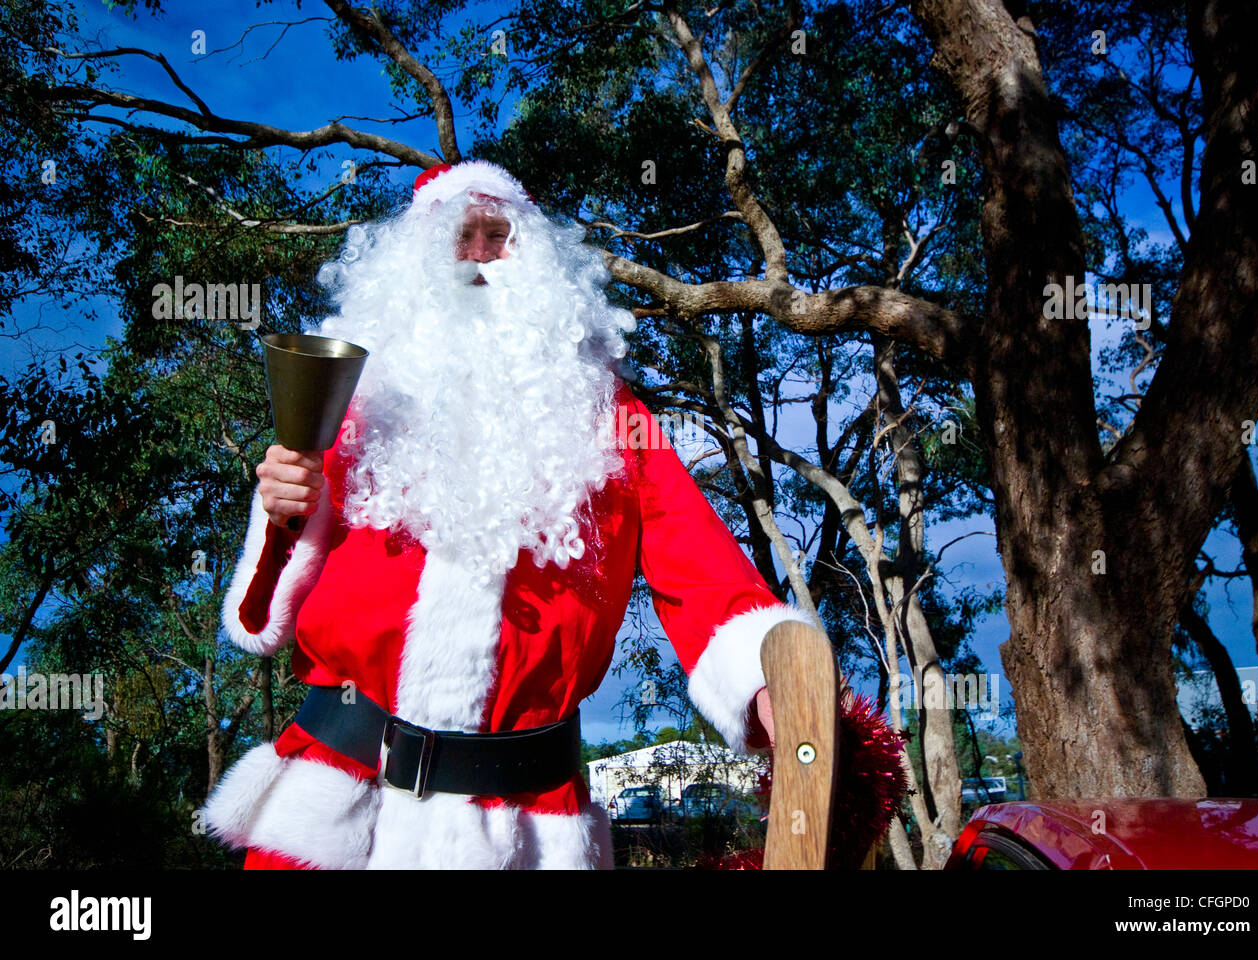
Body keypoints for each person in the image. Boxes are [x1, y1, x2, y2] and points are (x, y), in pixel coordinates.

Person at [202, 160, 814, 869]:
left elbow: (702, 571)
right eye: (462, 235)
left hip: (523, 827)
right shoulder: (356, 406)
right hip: (336, 812)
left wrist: (773, 685)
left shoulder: (614, 422)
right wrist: (280, 514)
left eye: (501, 234)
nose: (482, 251)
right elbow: (260, 622)